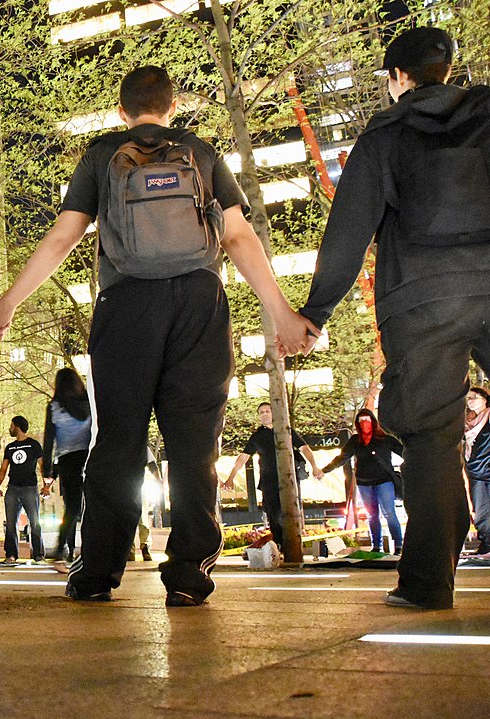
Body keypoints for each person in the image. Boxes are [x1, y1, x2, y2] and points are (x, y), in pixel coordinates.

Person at [0, 67, 312, 606]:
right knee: (194, 446)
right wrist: (280, 312)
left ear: (122, 112)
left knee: (118, 442)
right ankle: (188, 574)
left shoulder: (102, 153)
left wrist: (8, 303)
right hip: (201, 306)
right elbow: (237, 235)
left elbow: (65, 233)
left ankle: (96, 572)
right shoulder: (200, 151)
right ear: (172, 107)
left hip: (126, 304)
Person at [293, 27, 490, 609]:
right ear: (449, 68)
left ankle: (428, 584)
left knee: (431, 438)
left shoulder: (384, 133)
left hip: (421, 300)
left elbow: (348, 233)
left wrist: (315, 312)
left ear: (396, 77)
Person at [223, 402, 324, 550]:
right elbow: (243, 458)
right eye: (261, 412)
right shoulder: (257, 436)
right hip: (268, 481)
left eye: (267, 411)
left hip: (289, 480)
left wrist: (315, 466)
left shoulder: (286, 431)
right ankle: (279, 545)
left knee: (290, 513)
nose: (264, 414)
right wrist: (231, 477)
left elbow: (305, 449)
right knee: (273, 514)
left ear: (274, 413)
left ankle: (293, 547)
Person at [322, 409, 405, 553]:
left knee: (389, 512)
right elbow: (342, 457)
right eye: (360, 420)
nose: (364, 423)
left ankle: (398, 545)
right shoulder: (355, 441)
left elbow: (404, 451)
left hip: (384, 480)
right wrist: (325, 470)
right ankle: (376, 546)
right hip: (364, 482)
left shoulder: (384, 438)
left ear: (373, 420)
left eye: (367, 419)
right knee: (372, 515)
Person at [42, 368, 92, 563]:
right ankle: (91, 547)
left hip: (67, 460)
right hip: (89, 457)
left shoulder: (54, 407)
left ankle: (61, 546)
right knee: (92, 503)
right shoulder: (89, 403)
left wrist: (47, 470)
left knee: (72, 507)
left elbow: (49, 440)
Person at [0, 416, 47, 563]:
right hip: (12, 488)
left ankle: (38, 554)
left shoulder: (34, 445)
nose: (10, 428)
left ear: (17, 426)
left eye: (11, 425)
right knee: (11, 523)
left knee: (34, 522)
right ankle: (11, 554)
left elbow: (41, 466)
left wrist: (46, 485)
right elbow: (4, 467)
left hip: (30, 488)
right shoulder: (10, 447)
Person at [466, 388, 490, 556]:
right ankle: (486, 542)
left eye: (475, 397)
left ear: (485, 399)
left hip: (486, 468)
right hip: (475, 472)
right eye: (468, 398)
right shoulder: (468, 423)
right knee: (480, 511)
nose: (470, 400)